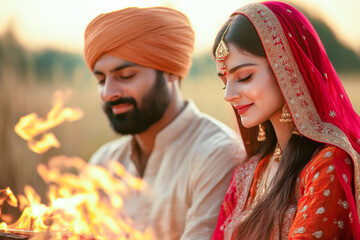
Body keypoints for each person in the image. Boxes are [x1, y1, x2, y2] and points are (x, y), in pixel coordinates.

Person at [83, 6, 244, 240]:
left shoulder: (217, 154)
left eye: (126, 76)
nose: (109, 92)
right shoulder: (102, 164)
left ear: (170, 71)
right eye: (100, 80)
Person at [211, 1, 360, 240]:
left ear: (287, 69)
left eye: (245, 76)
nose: (229, 95)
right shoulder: (248, 174)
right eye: (224, 81)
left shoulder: (326, 165)